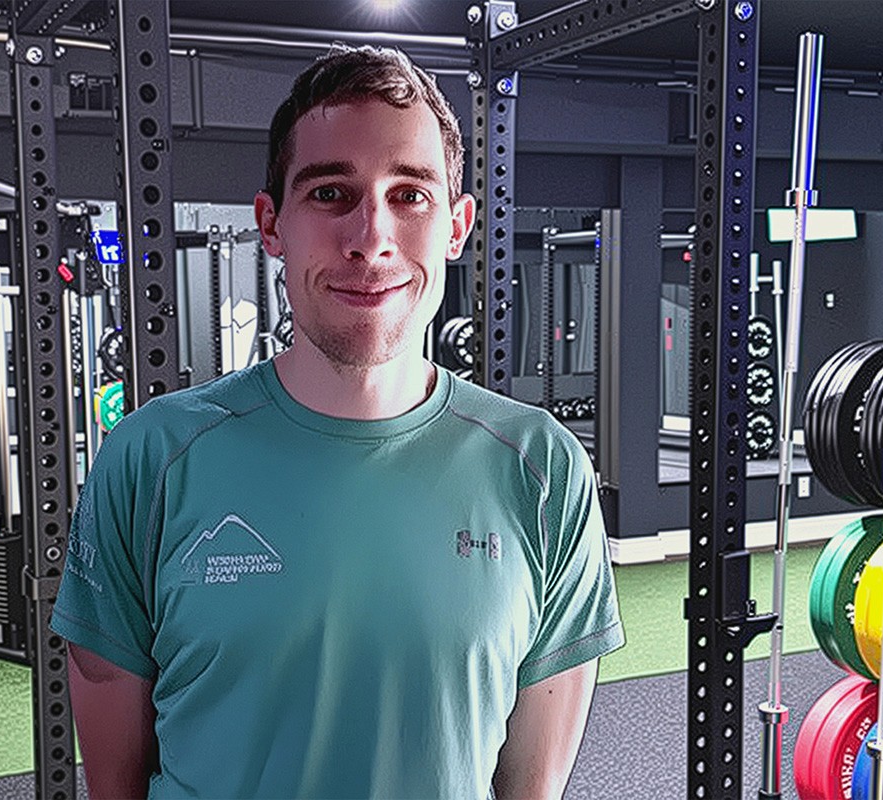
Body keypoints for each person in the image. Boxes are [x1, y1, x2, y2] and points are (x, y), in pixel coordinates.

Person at [50, 43, 624, 800]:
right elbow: (114, 781)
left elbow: (531, 789)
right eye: (330, 193)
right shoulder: (150, 459)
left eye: (409, 195)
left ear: (457, 227)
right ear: (271, 223)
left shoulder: (542, 471)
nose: (370, 237)